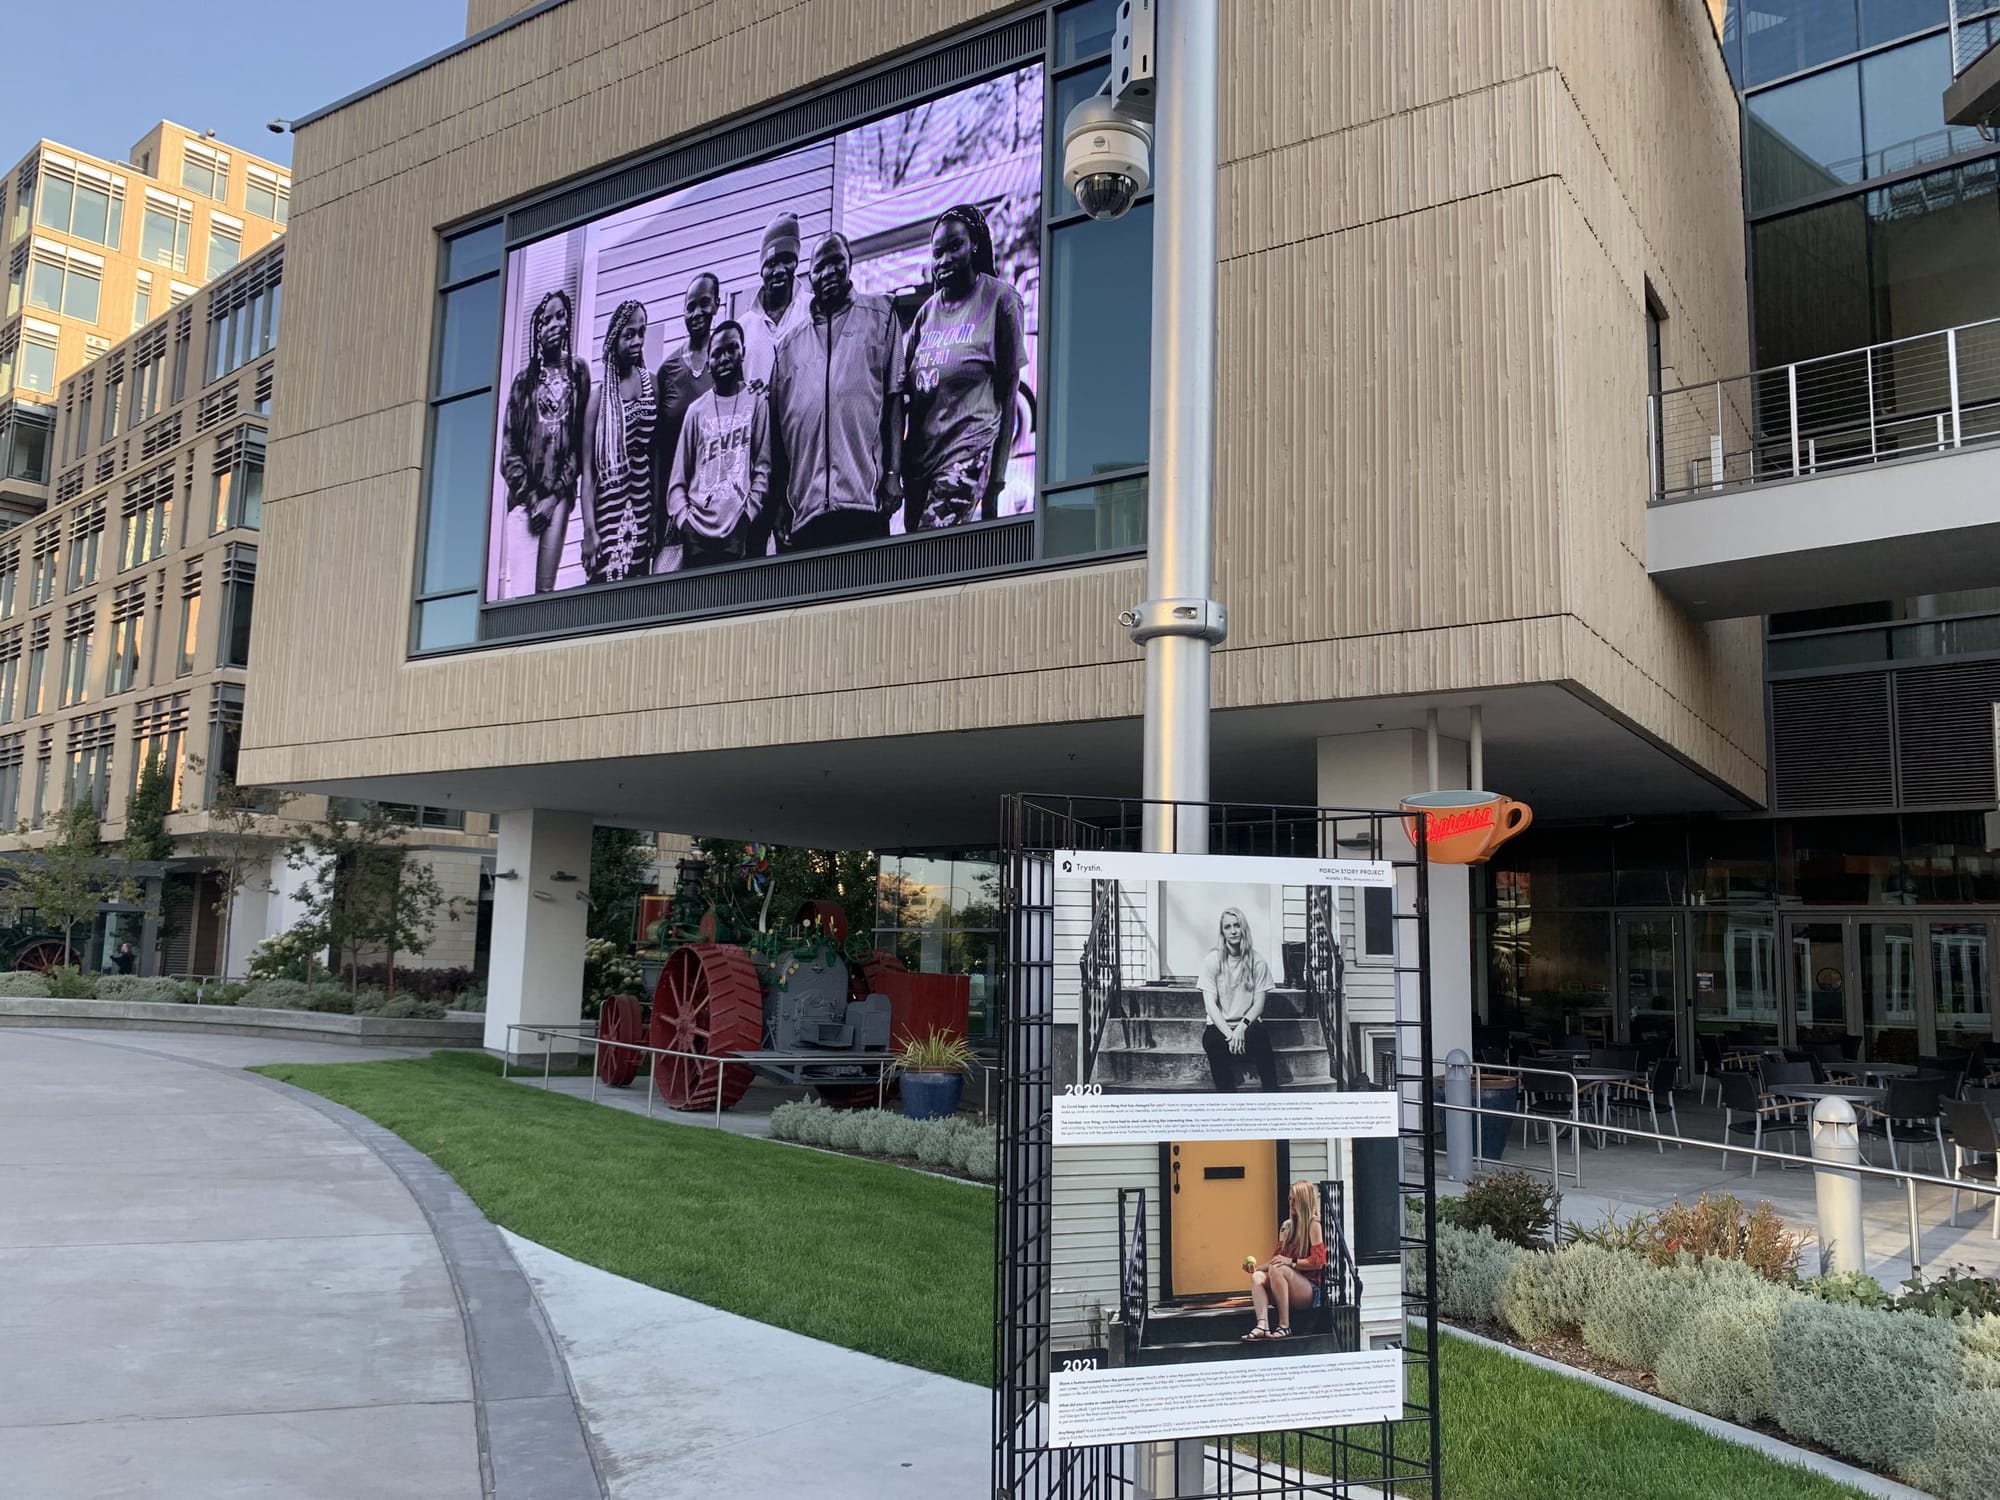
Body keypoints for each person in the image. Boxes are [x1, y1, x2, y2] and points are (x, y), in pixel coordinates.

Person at [768, 232, 904, 552]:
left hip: (864, 501)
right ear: (810, 276)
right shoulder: (787, 346)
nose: (829, 272)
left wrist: (893, 473)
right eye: (820, 267)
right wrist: (779, 503)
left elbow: (895, 399)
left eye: (836, 262)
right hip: (807, 511)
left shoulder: (881, 315)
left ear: (850, 264)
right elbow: (777, 433)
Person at [901, 203, 1024, 531]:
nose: (945, 260)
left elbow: (1009, 393)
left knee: (932, 543)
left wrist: (996, 482)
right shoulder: (925, 315)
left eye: (954, 247)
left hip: (967, 452)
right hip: (920, 466)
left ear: (975, 246)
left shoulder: (1001, 300)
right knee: (919, 555)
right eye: (937, 253)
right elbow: (906, 395)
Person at [498, 289, 591, 593]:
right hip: (524, 499)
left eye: (560, 316)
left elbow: (579, 442)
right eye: (546, 320)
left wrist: (553, 498)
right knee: (521, 593)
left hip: (558, 497)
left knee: (544, 592)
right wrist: (532, 499)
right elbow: (509, 451)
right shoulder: (523, 381)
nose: (554, 325)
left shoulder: (578, 372)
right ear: (536, 331)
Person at [664, 320, 770, 568]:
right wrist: (686, 525)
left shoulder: (756, 401)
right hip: (697, 534)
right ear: (708, 363)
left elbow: (763, 469)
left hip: (738, 531)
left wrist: (746, 519)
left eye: (732, 349)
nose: (724, 358)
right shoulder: (696, 411)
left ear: (742, 353)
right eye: (717, 353)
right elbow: (677, 481)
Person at [579, 300, 659, 584]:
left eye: (641, 333)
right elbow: (588, 473)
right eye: (629, 334)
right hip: (608, 512)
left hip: (641, 507)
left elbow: (655, 455)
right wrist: (589, 530)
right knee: (604, 591)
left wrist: (654, 515)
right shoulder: (598, 399)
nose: (637, 341)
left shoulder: (652, 384)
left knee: (637, 591)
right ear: (614, 340)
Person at [652, 272, 719, 570]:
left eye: (704, 303)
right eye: (690, 306)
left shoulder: (726, 363)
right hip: (675, 510)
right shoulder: (668, 370)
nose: (697, 313)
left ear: (717, 304)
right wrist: (658, 515)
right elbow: (658, 450)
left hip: (715, 506)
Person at [1198, 906, 1279, 1091]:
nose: (1233, 931)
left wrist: (1241, 1028)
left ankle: (1272, 1096)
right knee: (1212, 1042)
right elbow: (1210, 1006)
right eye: (1228, 927)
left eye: (1237, 925)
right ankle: (1227, 1099)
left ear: (1244, 929)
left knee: (1261, 1037)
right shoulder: (1212, 960)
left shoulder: (1258, 961)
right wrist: (1231, 1035)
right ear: (1222, 932)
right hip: (1220, 1026)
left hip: (1247, 1024)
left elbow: (1258, 1005)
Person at [1242, 1181, 1328, 1342]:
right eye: (1290, 1199)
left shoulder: (1313, 1224)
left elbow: (1318, 1262)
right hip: (1286, 1287)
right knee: (1258, 1277)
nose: (1291, 1203)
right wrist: (1256, 1269)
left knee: (1279, 1268)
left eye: (1295, 1200)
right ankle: (1262, 1325)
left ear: (1304, 1201)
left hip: (1309, 1291)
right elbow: (1277, 1260)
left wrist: (1291, 1261)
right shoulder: (1287, 1227)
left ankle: (1284, 1325)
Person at [740, 211, 811, 393]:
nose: (779, 270)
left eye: (786, 260)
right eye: (771, 263)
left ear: (796, 263)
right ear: (761, 270)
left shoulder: (815, 312)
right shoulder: (743, 328)